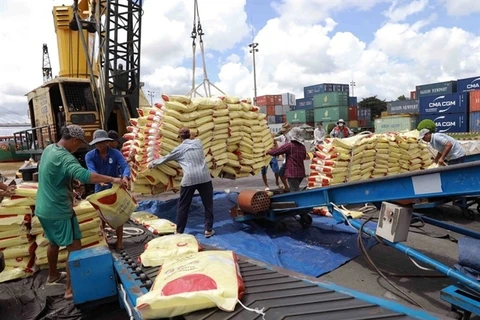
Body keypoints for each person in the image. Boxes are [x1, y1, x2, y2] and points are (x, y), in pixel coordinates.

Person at [35, 125, 125, 300]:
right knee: (75, 249)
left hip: (43, 208)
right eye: (79, 144)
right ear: (75, 140)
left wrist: (71, 184)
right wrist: (114, 179)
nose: (79, 147)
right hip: (58, 210)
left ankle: (53, 276)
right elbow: (87, 176)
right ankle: (70, 289)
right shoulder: (66, 157)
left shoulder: (49, 149)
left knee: (53, 243)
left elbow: (53, 174)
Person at [149, 127, 214, 237]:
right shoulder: (198, 143)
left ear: (180, 138)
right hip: (204, 177)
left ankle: (179, 231)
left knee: (184, 206)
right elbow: (193, 138)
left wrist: (152, 164)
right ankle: (208, 230)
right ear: (190, 135)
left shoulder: (178, 149)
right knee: (208, 205)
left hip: (189, 179)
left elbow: (166, 158)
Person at [85, 129, 131, 251]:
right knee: (101, 215)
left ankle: (119, 242)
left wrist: (125, 177)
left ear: (107, 142)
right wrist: (98, 179)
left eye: (102, 142)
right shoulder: (89, 156)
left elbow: (125, 166)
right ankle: (103, 240)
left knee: (118, 214)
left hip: (115, 188)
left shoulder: (115, 153)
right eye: (97, 143)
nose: (100, 145)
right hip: (99, 188)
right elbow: (91, 170)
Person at [267, 127, 307, 192]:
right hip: (301, 173)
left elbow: (276, 152)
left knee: (295, 191)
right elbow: (304, 157)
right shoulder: (302, 147)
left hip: (292, 173)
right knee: (295, 188)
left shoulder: (289, 145)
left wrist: (267, 151)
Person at [274, 123, 292, 191]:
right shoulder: (282, 136)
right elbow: (275, 138)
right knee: (282, 174)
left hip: (290, 158)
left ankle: (289, 187)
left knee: (283, 173)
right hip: (286, 158)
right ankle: (287, 187)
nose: (283, 131)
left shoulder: (290, 136)